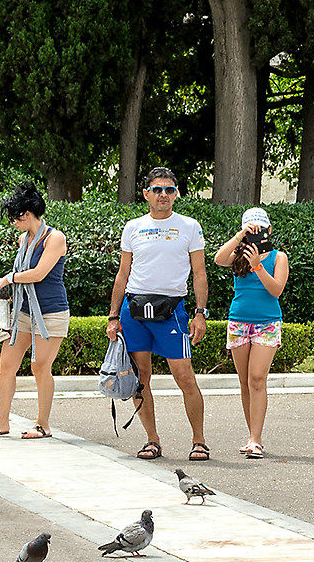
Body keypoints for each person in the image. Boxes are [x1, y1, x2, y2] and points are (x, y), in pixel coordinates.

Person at [107, 166, 210, 461]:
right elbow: (123, 273)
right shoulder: (133, 227)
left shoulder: (189, 226)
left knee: (185, 377)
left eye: (168, 190)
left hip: (172, 311)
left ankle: (199, 441)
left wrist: (200, 313)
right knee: (141, 379)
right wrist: (114, 316)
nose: (163, 195)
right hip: (134, 310)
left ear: (176, 194)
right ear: (146, 194)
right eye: (157, 190)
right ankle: (152, 440)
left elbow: (200, 274)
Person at [0, 185, 71, 440]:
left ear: (27, 214)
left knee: (40, 366)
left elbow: (39, 273)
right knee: (6, 365)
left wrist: (10, 278)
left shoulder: (55, 238)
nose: (12, 223)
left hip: (50, 312)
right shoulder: (23, 240)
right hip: (23, 311)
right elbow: (21, 274)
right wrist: (4, 280)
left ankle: (43, 424)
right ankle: (1, 422)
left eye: (14, 218)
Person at [212, 206, 289, 457]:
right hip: (239, 322)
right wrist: (239, 236)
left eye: (260, 228)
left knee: (257, 378)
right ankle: (251, 436)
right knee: (245, 382)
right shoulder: (238, 253)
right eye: (251, 229)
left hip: (267, 323)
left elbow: (276, 290)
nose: (257, 233)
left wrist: (258, 266)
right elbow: (218, 259)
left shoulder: (279, 257)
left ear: (269, 229)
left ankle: (256, 439)